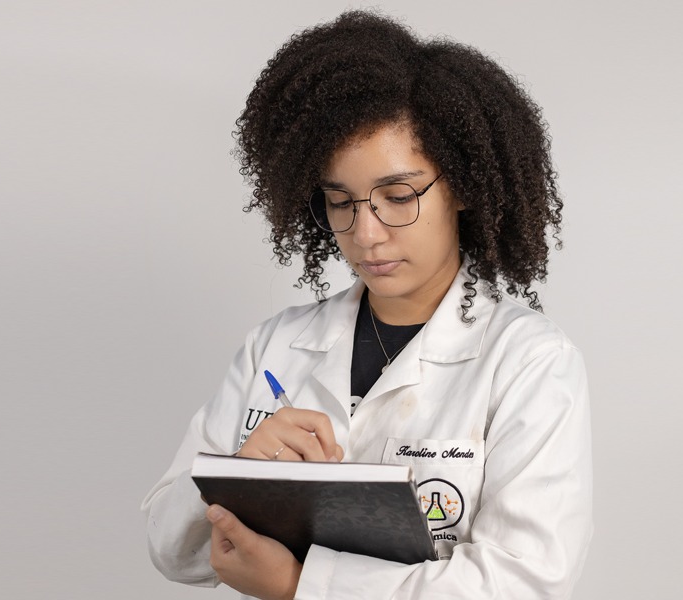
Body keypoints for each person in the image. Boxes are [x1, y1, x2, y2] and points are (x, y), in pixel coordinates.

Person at [142, 10, 592, 600]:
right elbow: (171, 549)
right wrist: (240, 472)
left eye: (398, 196)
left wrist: (300, 586)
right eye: (341, 202)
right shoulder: (275, 347)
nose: (366, 234)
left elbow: (522, 582)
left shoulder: (528, 363)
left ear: (461, 186)